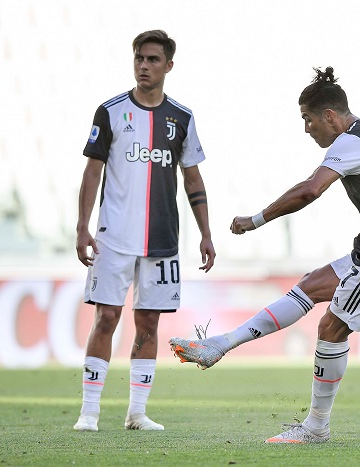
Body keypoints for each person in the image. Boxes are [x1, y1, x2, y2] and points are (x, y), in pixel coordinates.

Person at [169, 67, 360, 443]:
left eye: (307, 120)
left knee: (331, 328)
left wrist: (255, 220)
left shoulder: (350, 142)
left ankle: (315, 428)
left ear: (329, 115)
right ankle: (220, 344)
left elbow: (311, 190)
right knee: (311, 285)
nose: (307, 129)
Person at [74, 30, 215, 432]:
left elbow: (193, 179)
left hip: (163, 238)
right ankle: (89, 412)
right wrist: (82, 227)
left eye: (153, 59)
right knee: (106, 318)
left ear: (168, 65)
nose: (144, 65)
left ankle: (137, 413)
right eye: (139, 58)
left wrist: (206, 234)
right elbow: (92, 171)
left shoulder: (182, 119)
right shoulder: (111, 111)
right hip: (114, 236)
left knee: (149, 323)